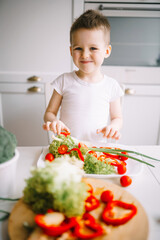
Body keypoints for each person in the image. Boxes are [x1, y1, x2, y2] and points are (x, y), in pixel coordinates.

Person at [43, 9, 124, 143]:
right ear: (71, 50)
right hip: (67, 147)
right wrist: (54, 121)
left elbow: (117, 118)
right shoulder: (64, 81)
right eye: (78, 48)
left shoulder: (112, 86)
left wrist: (113, 127)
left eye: (93, 48)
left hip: (97, 149)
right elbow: (49, 113)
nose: (85, 55)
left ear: (107, 51)